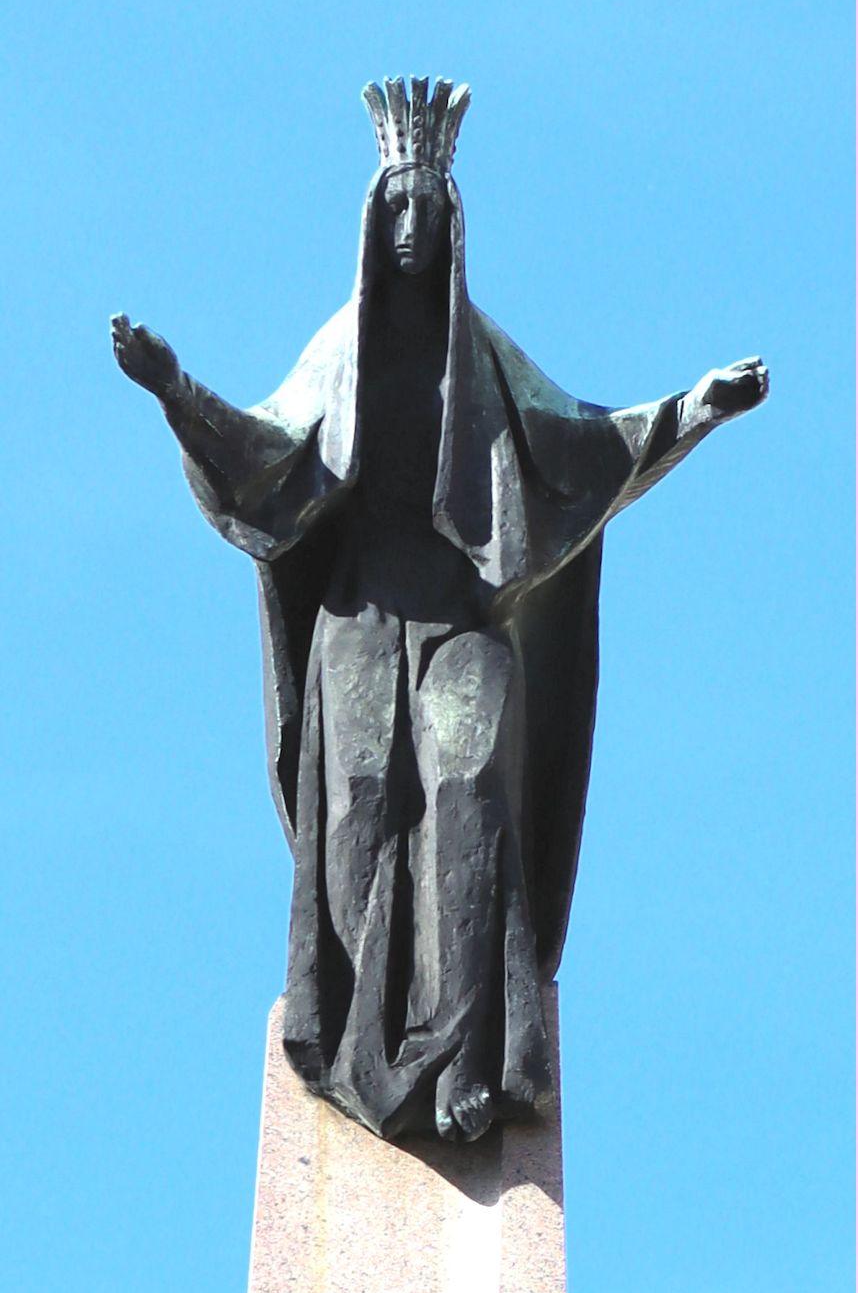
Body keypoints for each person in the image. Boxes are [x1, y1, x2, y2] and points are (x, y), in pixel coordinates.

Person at [111, 76, 768, 1141]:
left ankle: (466, 1057)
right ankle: (366, 1048)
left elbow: (591, 449)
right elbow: (259, 452)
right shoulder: (339, 353)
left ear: (454, 226)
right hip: (360, 623)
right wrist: (172, 388)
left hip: (463, 625)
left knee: (469, 792)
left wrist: (699, 407)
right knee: (357, 812)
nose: (412, 225)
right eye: (396, 206)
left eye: (429, 208)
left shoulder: (491, 362)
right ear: (372, 223)